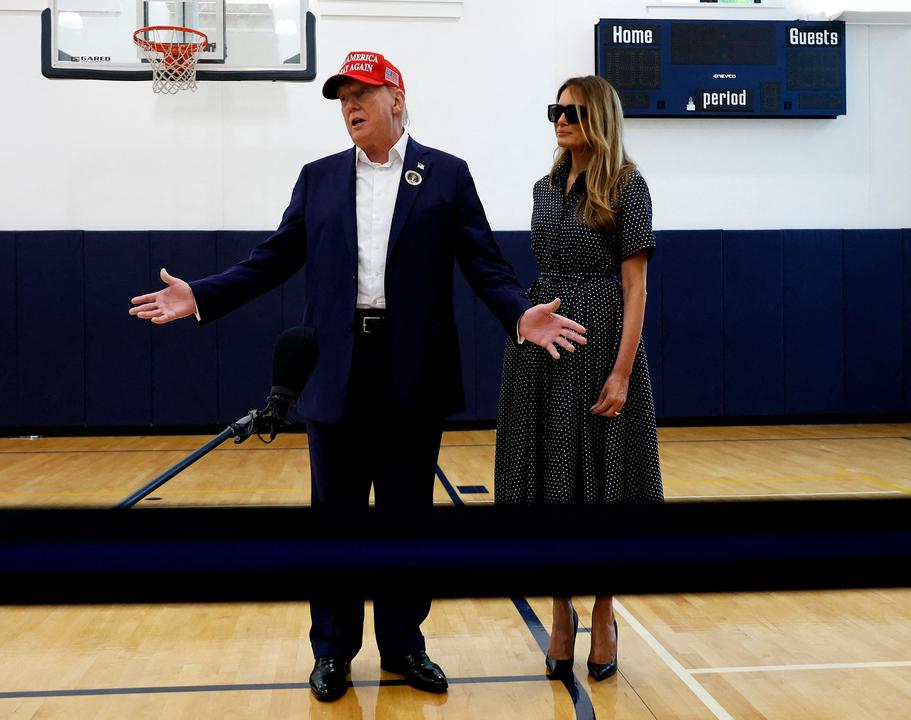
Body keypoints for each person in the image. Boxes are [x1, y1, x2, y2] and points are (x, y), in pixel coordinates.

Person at [128, 51, 588, 702]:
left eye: (362, 93)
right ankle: (333, 652)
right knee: (336, 522)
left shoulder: (448, 177)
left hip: (413, 374)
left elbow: (484, 264)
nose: (350, 104)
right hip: (336, 371)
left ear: (396, 99)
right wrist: (202, 295)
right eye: (342, 95)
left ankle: (404, 646)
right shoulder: (317, 179)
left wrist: (520, 315)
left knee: (406, 520)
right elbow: (274, 258)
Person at [493, 75, 664, 682]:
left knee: (604, 487)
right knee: (549, 484)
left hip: (600, 353)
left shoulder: (627, 185)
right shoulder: (544, 188)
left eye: (573, 111)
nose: (561, 120)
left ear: (600, 117)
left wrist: (621, 373)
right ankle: (561, 611)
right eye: (555, 111)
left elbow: (636, 289)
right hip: (544, 354)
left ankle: (604, 611)